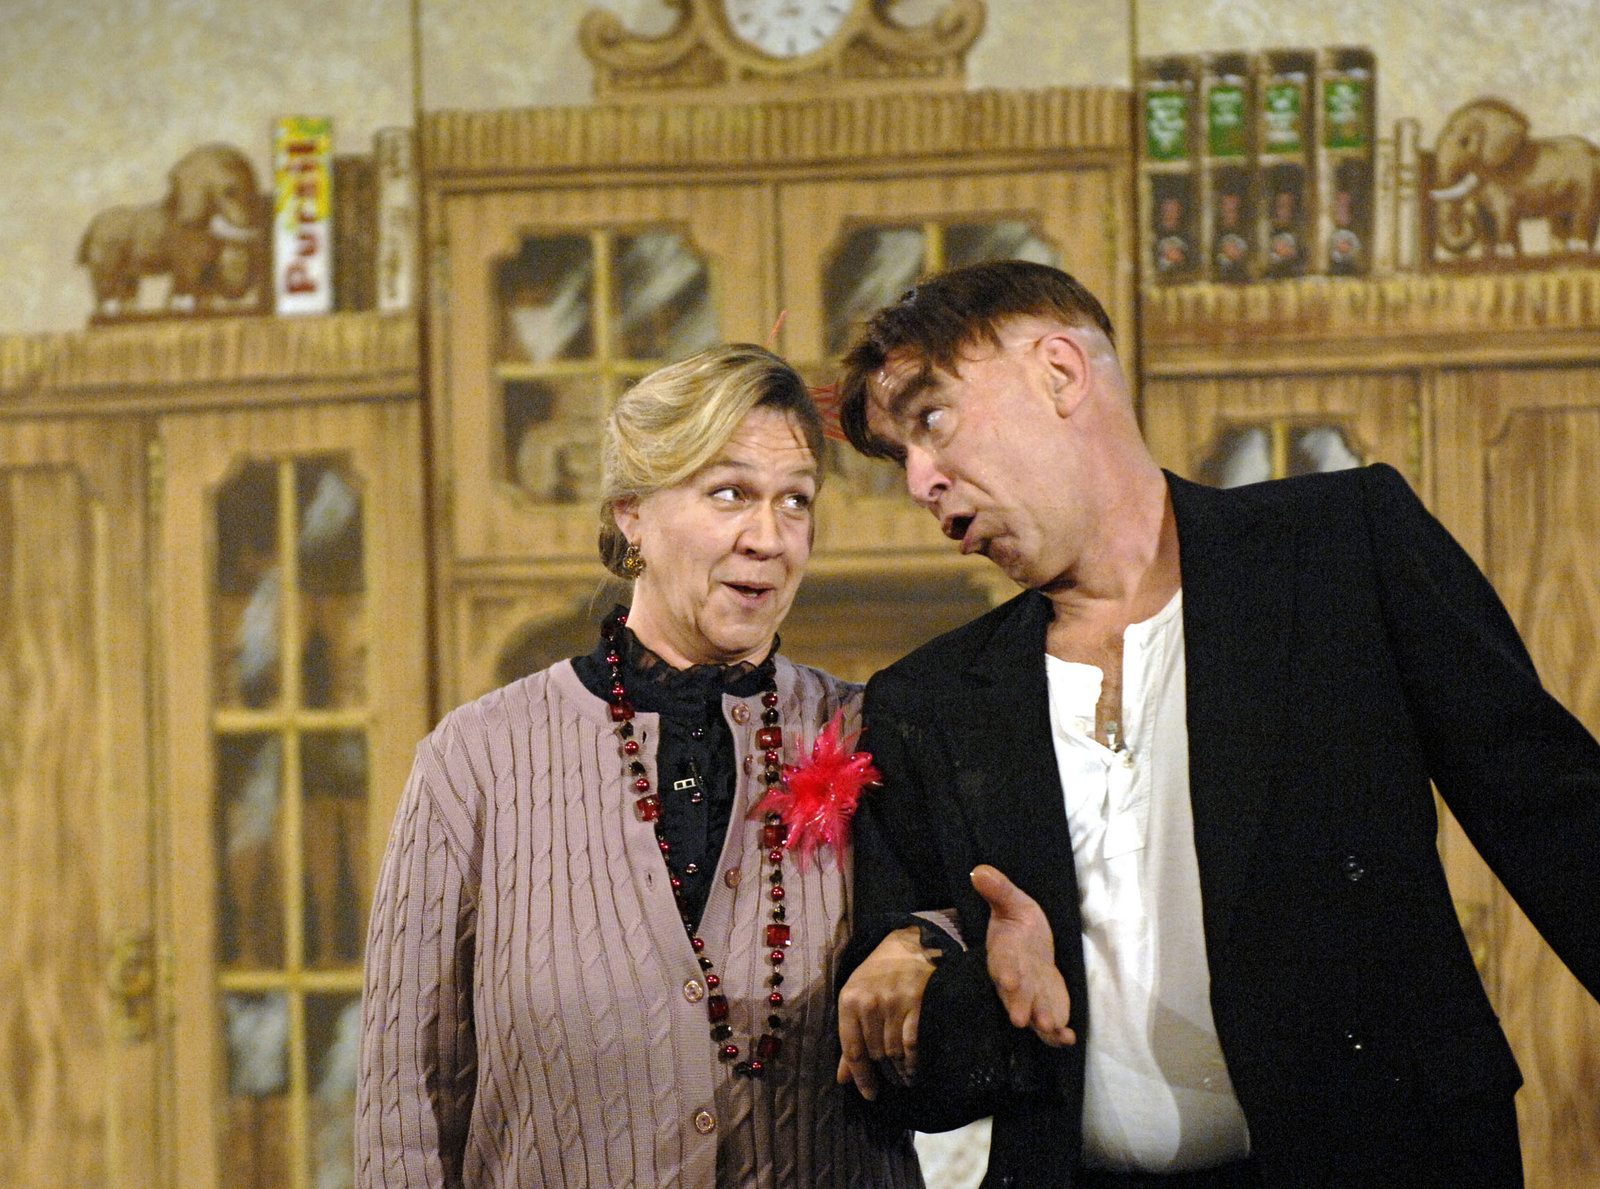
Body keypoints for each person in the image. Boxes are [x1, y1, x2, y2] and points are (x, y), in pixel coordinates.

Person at [830, 260, 1600, 1188]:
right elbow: (910, 1083)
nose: (919, 479)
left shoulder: (1341, 547)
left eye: (930, 420)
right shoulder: (928, 698)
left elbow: (1560, 821)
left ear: (1060, 372)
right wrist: (961, 987)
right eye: (899, 456)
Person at [357, 343, 922, 1188]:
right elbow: (405, 1109)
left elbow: (971, 941)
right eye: (729, 493)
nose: (768, 539)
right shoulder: (475, 760)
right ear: (633, 514)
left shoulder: (871, 732)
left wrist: (924, 942)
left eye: (795, 501)